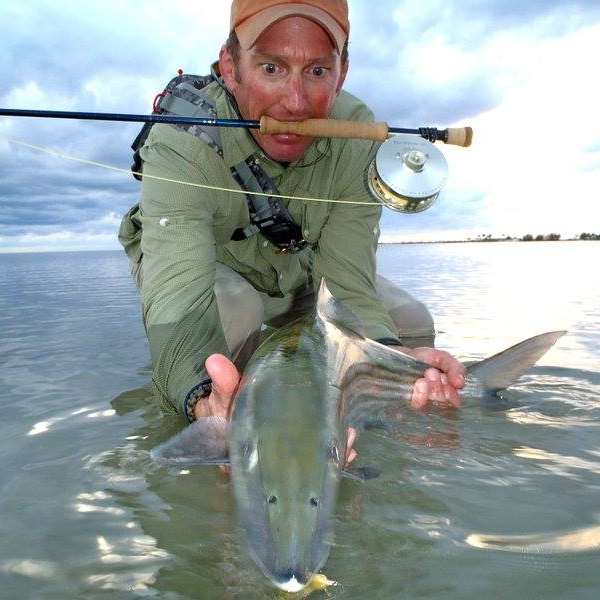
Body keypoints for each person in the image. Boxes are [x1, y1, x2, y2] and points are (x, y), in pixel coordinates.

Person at [119, 0, 466, 452]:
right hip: (205, 272)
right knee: (232, 316)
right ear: (231, 65)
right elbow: (179, 300)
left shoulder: (360, 134)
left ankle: (360, 432)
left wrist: (390, 360)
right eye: (271, 67)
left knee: (408, 322)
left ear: (341, 74)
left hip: (297, 271)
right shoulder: (181, 137)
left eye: (318, 72)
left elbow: (348, 280)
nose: (295, 102)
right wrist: (204, 401)